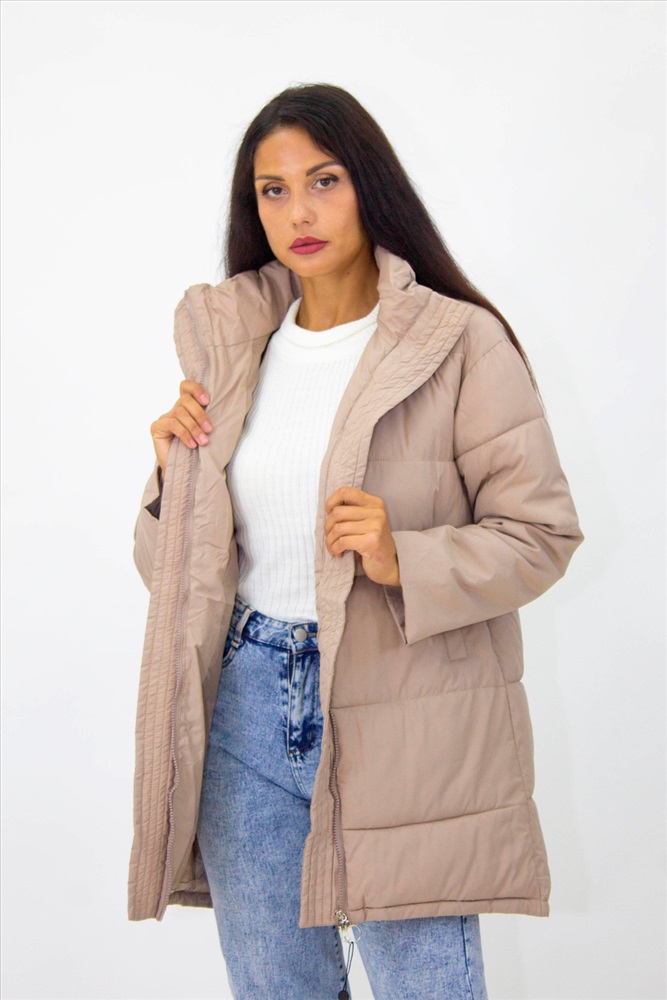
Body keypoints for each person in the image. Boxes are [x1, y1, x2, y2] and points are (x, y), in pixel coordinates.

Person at [128, 83, 584, 1000]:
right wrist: (173, 482)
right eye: (273, 190)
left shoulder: (457, 343)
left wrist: (400, 556)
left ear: (369, 184)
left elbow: (542, 534)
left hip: (407, 711)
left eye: (323, 180)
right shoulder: (233, 350)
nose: (297, 212)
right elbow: (171, 575)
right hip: (244, 709)